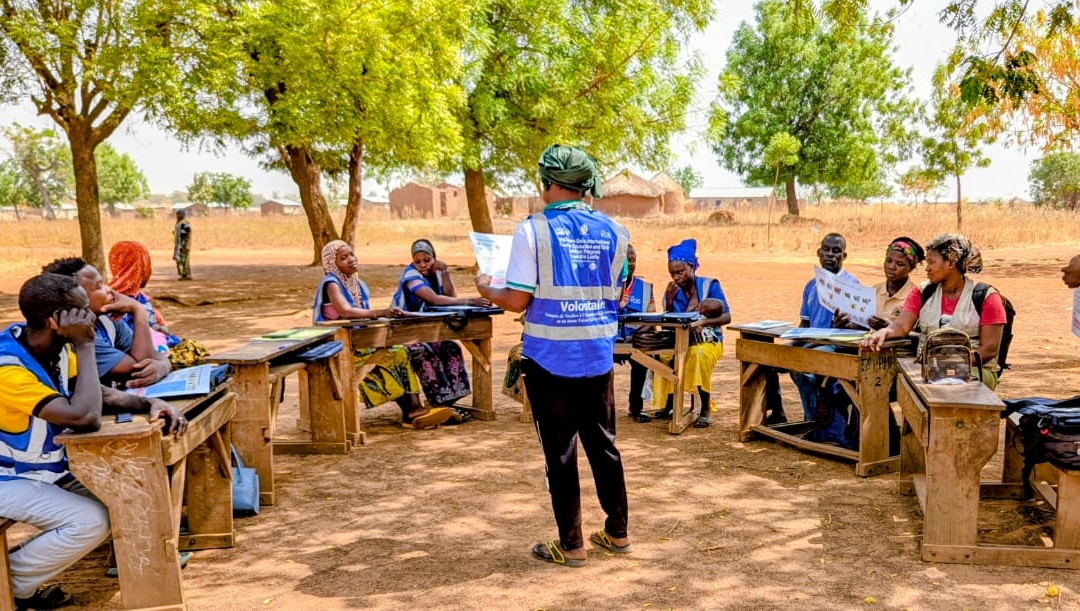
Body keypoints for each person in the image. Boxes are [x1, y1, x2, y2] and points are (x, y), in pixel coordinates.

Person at [476, 144, 631, 567]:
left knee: (560, 451)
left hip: (549, 360)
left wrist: (486, 288)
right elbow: (617, 288)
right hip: (597, 356)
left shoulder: (533, 231)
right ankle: (617, 533)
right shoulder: (616, 232)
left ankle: (572, 545)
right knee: (604, 446)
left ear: (547, 182)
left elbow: (517, 299)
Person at [0, 273, 185, 610]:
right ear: (56, 321)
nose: (93, 316)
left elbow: (93, 393)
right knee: (90, 522)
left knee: (127, 496)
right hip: (7, 478)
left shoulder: (53, 348)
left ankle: (15, 580)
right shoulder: (8, 369)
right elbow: (84, 416)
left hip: (41, 471)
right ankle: (10, 583)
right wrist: (85, 344)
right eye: (82, 311)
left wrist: (148, 403)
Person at [313, 240, 454, 429]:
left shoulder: (357, 284)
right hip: (339, 347)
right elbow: (345, 311)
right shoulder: (332, 284)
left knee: (400, 352)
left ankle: (414, 409)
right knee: (384, 360)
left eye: (351, 254)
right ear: (332, 263)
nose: (351, 260)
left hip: (358, 342)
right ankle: (411, 412)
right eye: (343, 258)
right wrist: (379, 313)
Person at [863, 233, 1006, 389]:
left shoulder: (986, 297)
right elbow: (901, 326)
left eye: (931, 262)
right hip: (927, 368)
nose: (927, 268)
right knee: (878, 379)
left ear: (950, 263)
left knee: (945, 387)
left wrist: (950, 365)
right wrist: (884, 332)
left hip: (974, 369)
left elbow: (989, 349)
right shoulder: (922, 292)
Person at [392, 239, 491, 414]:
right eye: (418, 261)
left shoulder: (436, 273)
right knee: (423, 352)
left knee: (450, 347)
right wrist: (470, 301)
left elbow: (450, 296)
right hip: (404, 332)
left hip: (425, 331)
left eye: (427, 260)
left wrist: (445, 273)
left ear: (434, 258)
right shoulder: (410, 275)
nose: (422, 265)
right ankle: (439, 402)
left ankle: (449, 401)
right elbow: (434, 299)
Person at [42, 257, 172, 389]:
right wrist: (138, 310)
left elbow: (150, 355)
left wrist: (164, 365)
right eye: (98, 286)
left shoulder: (106, 321)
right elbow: (140, 367)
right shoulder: (77, 335)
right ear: (75, 297)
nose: (108, 289)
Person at [650, 239, 731, 429]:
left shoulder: (709, 285)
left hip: (708, 341)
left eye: (680, 272)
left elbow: (727, 317)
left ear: (691, 267)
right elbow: (668, 325)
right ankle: (670, 404)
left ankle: (705, 408)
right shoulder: (672, 291)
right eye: (672, 273)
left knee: (698, 355)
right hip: (681, 340)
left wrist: (703, 322)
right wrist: (670, 303)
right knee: (663, 356)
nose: (676, 277)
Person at [615, 244, 656, 423]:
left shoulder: (645, 288)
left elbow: (652, 320)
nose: (630, 264)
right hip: (609, 339)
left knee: (642, 360)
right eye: (626, 260)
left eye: (633, 260)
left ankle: (636, 407)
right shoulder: (605, 285)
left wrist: (636, 336)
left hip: (635, 338)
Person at [173, 209, 192, 281]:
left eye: (178, 214)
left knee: (183, 260)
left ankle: (185, 274)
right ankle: (184, 274)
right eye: (177, 214)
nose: (177, 215)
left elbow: (187, 234)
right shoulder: (179, 223)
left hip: (183, 245)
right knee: (180, 259)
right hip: (179, 244)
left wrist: (186, 245)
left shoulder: (184, 223)